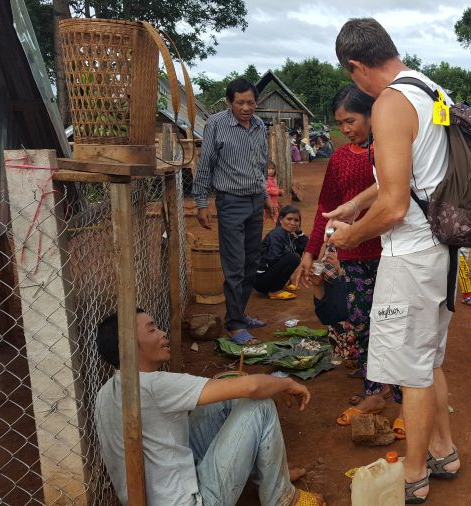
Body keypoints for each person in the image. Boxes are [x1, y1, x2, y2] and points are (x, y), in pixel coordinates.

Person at [324, 18, 460, 503]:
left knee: (411, 371)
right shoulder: (430, 90)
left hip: (412, 255)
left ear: (357, 66)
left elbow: (397, 205)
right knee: (429, 359)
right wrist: (356, 204)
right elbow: (412, 175)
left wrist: (348, 236)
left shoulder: (389, 104)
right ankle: (443, 451)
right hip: (442, 249)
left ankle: (415, 474)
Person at [93, 309, 325, 506]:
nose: (163, 333)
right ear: (129, 346)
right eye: (152, 330)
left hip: (159, 493)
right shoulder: (153, 385)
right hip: (192, 502)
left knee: (224, 397)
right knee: (260, 405)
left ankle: (271, 477)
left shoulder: (107, 391)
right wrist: (285, 382)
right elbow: (252, 387)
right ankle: (282, 498)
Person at [296, 84, 404, 433]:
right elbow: (325, 210)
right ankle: (374, 390)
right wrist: (310, 251)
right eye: (339, 123)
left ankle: (405, 400)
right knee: (361, 321)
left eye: (351, 120)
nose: (345, 129)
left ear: (372, 115)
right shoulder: (340, 158)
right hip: (354, 256)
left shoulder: (390, 153)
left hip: (390, 253)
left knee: (394, 324)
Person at [193, 78, 275, 346]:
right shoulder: (217, 124)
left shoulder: (260, 125)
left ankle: (238, 312)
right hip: (230, 203)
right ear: (230, 102)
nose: (246, 107)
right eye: (240, 102)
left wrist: (265, 196)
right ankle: (235, 324)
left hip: (254, 202)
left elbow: (260, 166)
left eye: (251, 102)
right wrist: (202, 202)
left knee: (251, 262)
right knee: (234, 265)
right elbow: (205, 165)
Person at [254, 206, 307, 300]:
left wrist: (299, 232)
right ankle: (275, 290)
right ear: (281, 219)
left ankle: (281, 285)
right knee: (293, 258)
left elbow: (305, 246)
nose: (293, 223)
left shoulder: (289, 235)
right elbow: (273, 258)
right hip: (261, 280)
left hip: (268, 277)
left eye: (296, 220)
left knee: (295, 254)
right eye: (289, 219)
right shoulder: (277, 234)